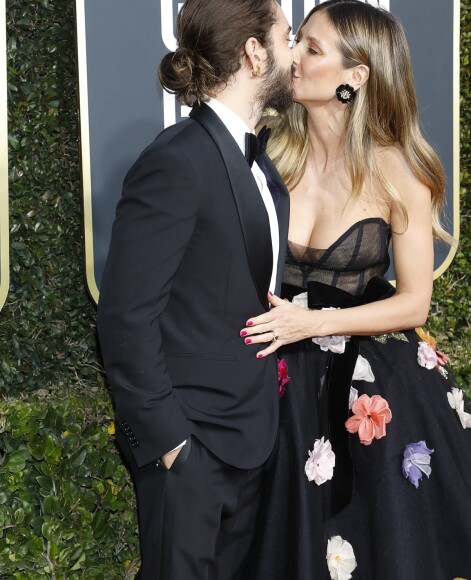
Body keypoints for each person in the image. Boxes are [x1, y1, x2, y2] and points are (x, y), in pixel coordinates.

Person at [239, 1, 471, 578]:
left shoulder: (400, 170)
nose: (292, 57)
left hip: (371, 381)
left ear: (356, 76)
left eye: (312, 49)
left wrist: (315, 323)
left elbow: (415, 302)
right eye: (300, 42)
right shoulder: (266, 149)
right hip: (278, 369)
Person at [96, 0, 293, 577]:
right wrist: (172, 447)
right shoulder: (176, 161)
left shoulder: (263, 166)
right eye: (286, 36)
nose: (294, 50)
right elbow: (125, 319)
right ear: (255, 53)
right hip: (193, 453)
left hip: (252, 439)